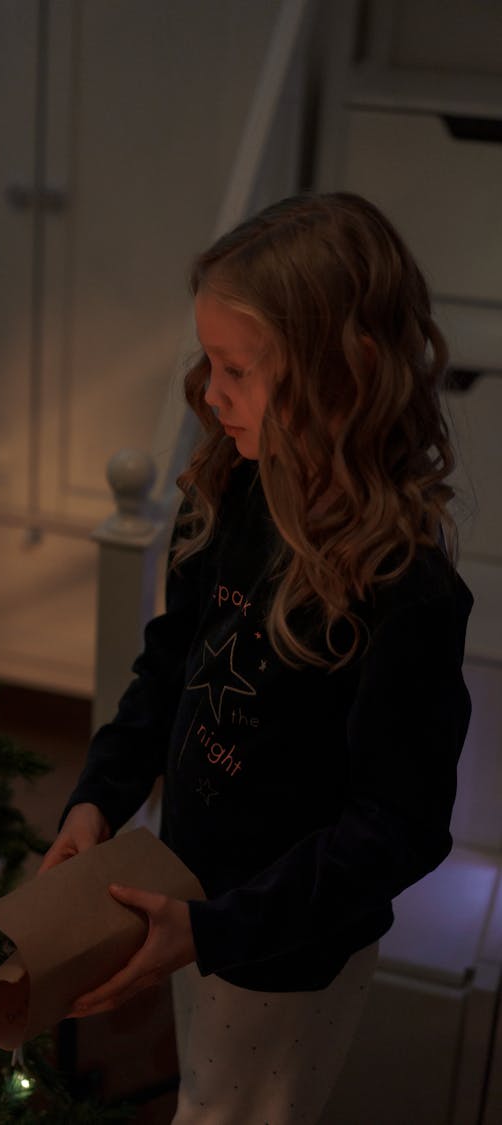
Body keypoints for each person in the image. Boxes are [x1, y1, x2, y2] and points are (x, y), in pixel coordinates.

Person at [39, 192, 474, 1123]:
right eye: (209, 362)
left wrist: (215, 928)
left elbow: (398, 826)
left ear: (341, 379)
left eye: (236, 368)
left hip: (287, 945)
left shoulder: (406, 589)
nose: (208, 391)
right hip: (196, 905)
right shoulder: (233, 484)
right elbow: (169, 665)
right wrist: (99, 794)